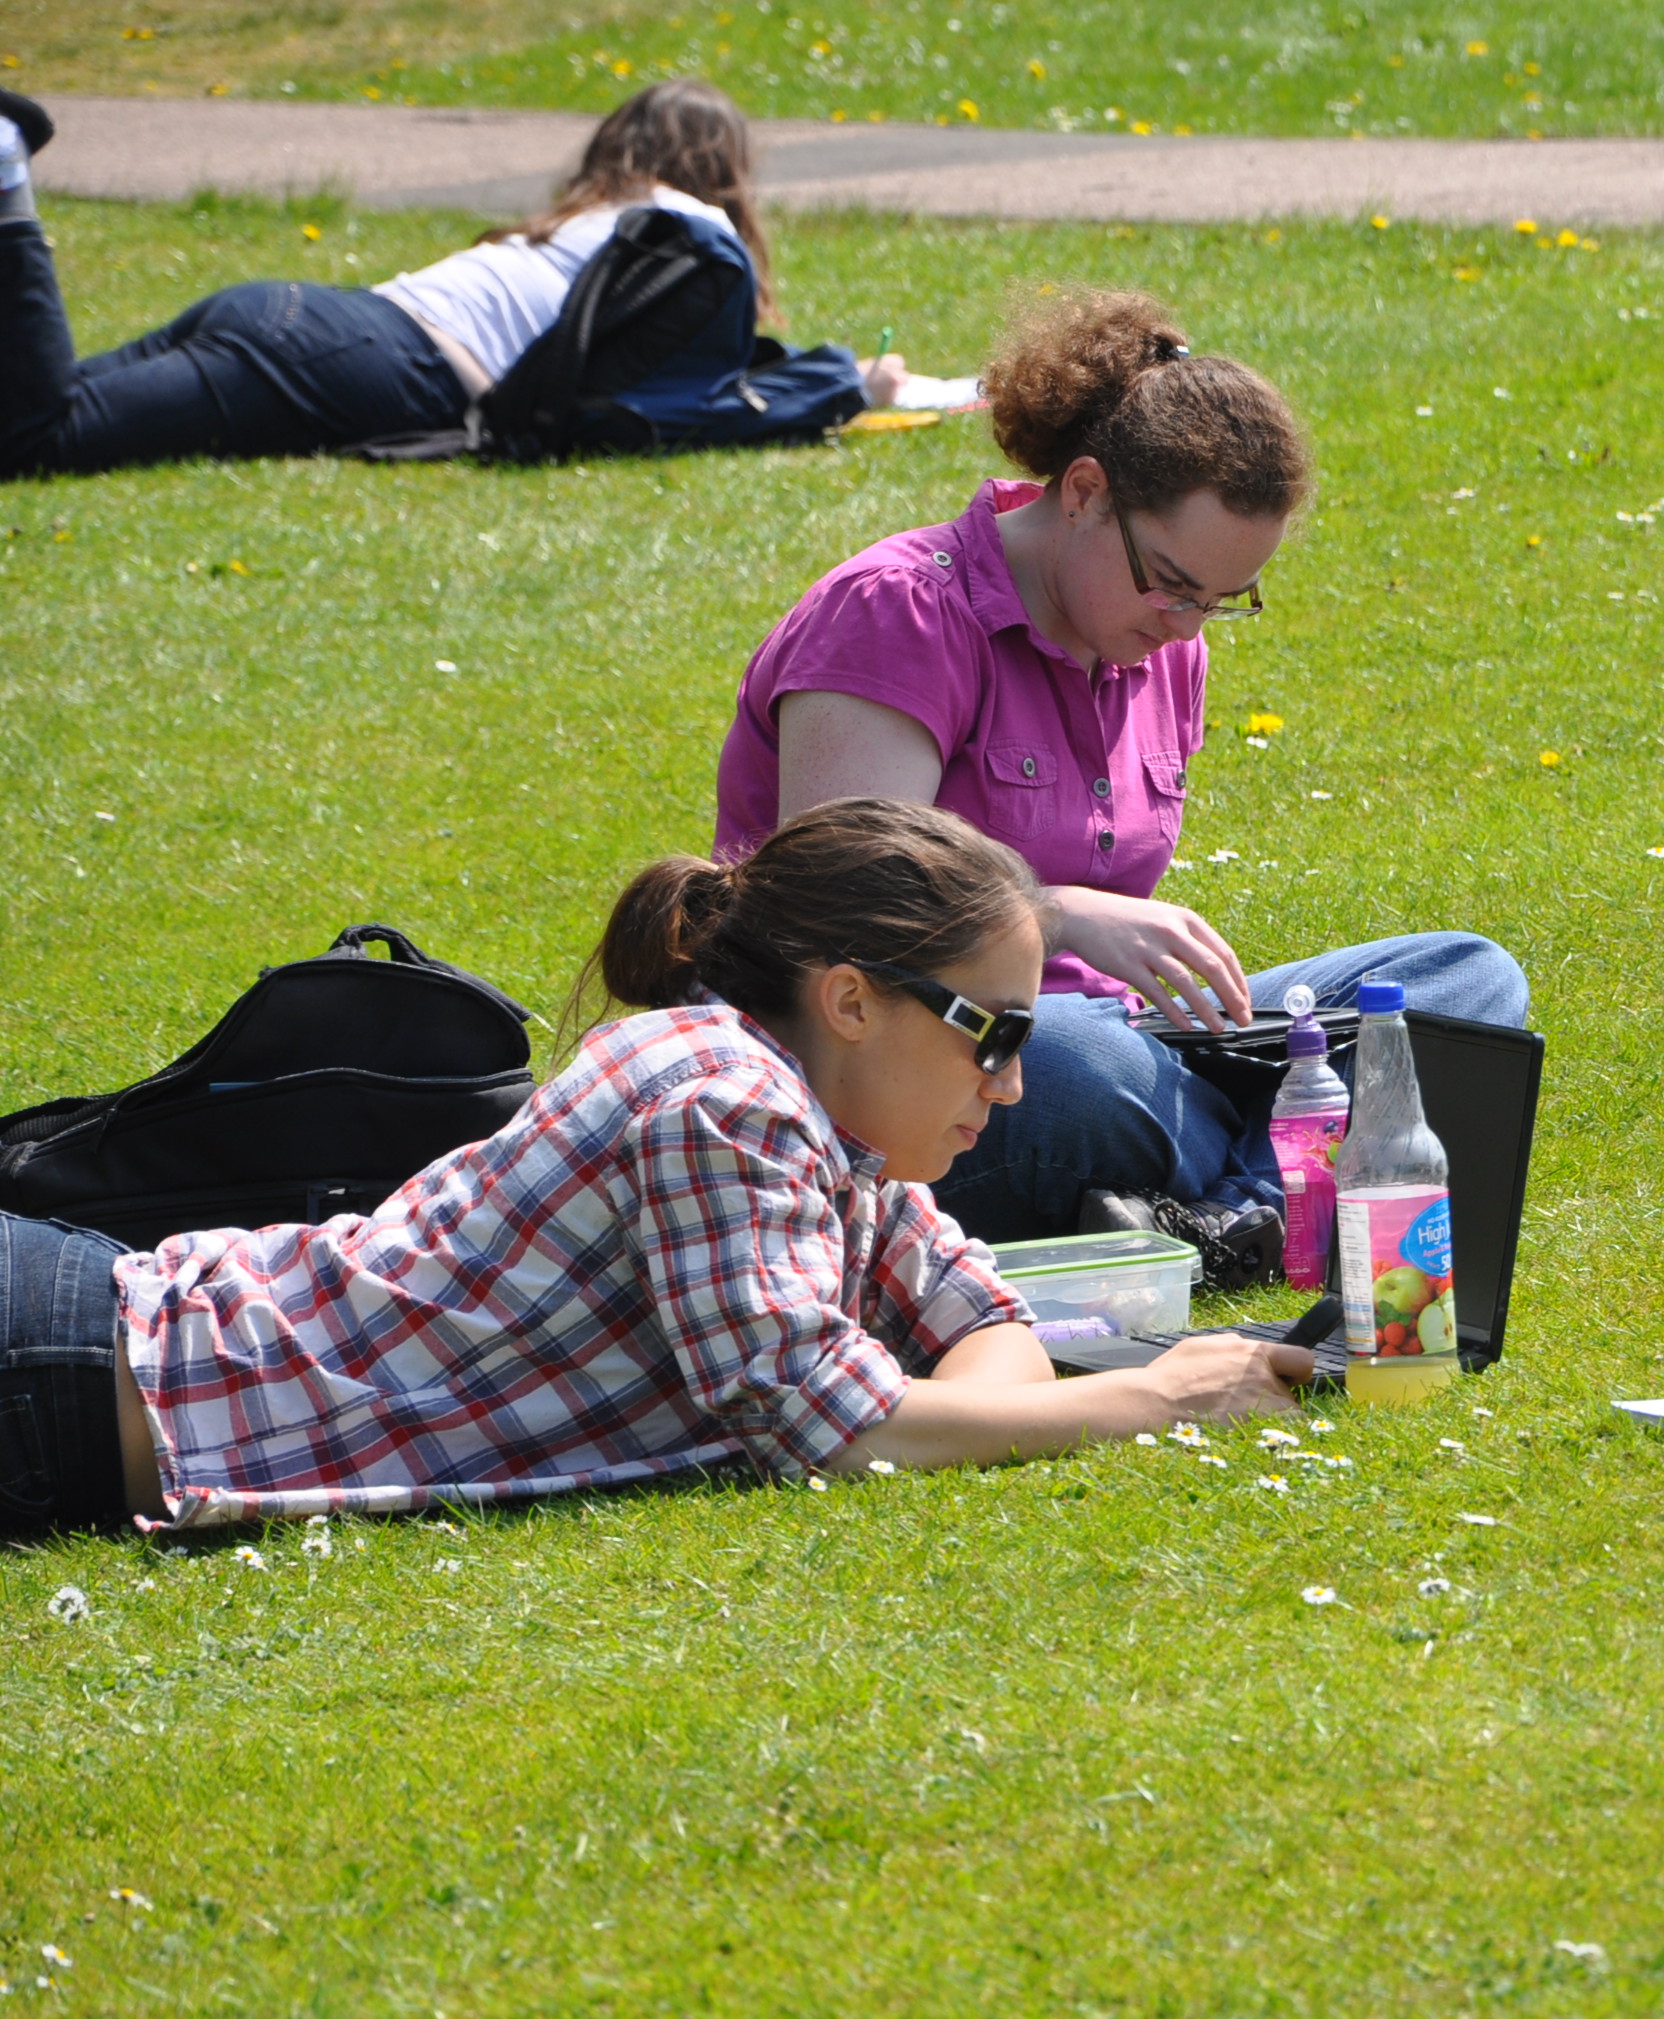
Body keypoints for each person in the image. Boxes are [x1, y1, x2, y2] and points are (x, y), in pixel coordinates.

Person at [0, 798, 1311, 1540]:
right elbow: (834, 1426)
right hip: (67, 1380)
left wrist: (997, 1412)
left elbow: (983, 1331)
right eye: (994, 1034)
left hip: (90, 1365)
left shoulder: (830, 1128)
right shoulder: (724, 1104)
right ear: (851, 1000)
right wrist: (1160, 1397)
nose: (1014, 1084)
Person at [712, 286, 1527, 1267]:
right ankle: (1291, 1169)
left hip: (1123, 1041)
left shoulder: (1158, 643)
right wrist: (1052, 918)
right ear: (1086, 492)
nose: (1187, 627)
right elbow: (830, 910)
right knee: (1070, 1064)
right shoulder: (896, 614)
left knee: (1464, 980)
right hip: (936, 1068)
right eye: (1173, 584)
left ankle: (1238, 1209)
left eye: (1226, 600)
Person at [0, 81, 902, 479]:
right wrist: (845, 388)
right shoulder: (695, 242)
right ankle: (9, 174)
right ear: (724, 169)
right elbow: (675, 410)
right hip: (369, 362)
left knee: (35, 407)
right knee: (41, 435)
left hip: (305, 316)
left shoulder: (597, 218)